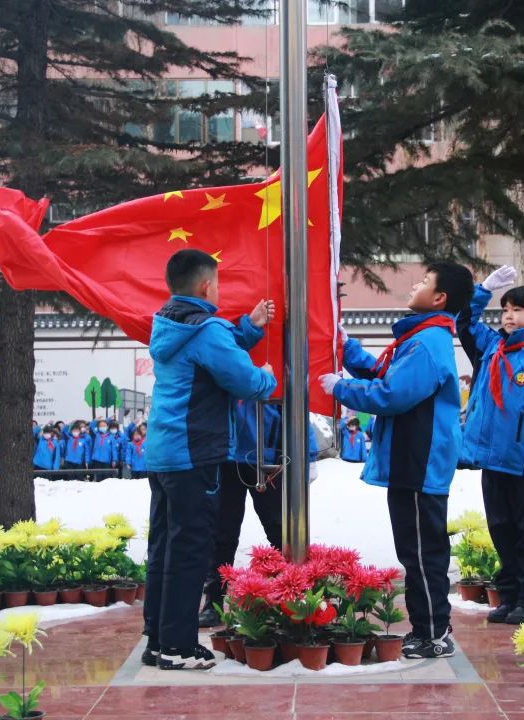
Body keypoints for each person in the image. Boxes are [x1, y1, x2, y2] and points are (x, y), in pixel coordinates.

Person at [321, 261, 473, 658]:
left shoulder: (426, 343)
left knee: (422, 552)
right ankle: (427, 628)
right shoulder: (420, 338)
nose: (414, 285)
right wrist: (345, 345)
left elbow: (391, 394)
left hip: (419, 462)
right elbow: (382, 372)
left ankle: (434, 633)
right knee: (415, 549)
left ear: (439, 298)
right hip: (412, 460)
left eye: (423, 281)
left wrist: (342, 388)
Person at [143, 249, 277, 670]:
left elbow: (214, 349)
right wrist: (268, 374)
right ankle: (178, 646)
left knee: (165, 547)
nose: (219, 289)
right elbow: (246, 380)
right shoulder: (207, 331)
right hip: (194, 454)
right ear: (205, 286)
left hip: (163, 454)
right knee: (191, 550)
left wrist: (248, 329)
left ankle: (158, 638)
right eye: (217, 283)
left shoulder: (169, 324)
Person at [456, 266, 524, 626]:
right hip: (494, 459)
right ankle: (508, 596)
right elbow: (464, 322)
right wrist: (484, 289)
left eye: (517, 310)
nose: (508, 316)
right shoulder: (493, 346)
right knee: (501, 527)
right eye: (505, 309)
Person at [198, 401, 319, 628]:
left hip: (268, 459)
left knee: (280, 532)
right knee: (221, 534)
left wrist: (309, 454)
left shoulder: (274, 368)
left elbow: (296, 406)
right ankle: (213, 602)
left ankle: (292, 598)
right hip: (227, 458)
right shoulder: (228, 365)